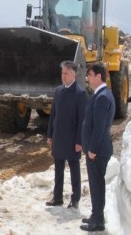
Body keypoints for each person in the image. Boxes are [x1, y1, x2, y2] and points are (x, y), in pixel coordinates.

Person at [46, 61, 88, 209]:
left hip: (72, 140)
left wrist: (79, 141)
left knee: (74, 170)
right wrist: (50, 135)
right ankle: (57, 197)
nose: (63, 76)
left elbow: (82, 120)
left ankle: (75, 199)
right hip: (58, 137)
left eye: (66, 73)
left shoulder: (80, 93)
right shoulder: (58, 91)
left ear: (73, 74)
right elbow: (53, 115)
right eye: (62, 73)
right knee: (58, 169)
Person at [80, 62, 115, 232]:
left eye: (90, 75)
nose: (87, 78)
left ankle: (98, 220)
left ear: (98, 76)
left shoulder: (102, 97)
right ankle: (96, 216)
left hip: (98, 150)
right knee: (96, 184)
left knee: (97, 185)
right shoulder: (102, 94)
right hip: (97, 149)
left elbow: (99, 128)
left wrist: (92, 149)